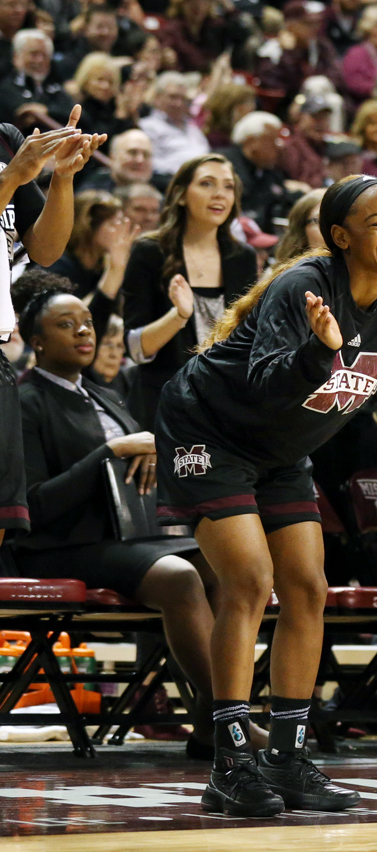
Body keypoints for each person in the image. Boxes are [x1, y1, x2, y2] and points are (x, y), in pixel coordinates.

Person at [154, 174, 377, 817]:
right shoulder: (303, 287)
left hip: (280, 449)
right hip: (208, 427)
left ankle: (287, 758)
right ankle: (229, 760)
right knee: (250, 581)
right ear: (340, 237)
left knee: (308, 588)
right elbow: (262, 384)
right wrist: (321, 353)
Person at [14, 286, 228, 759]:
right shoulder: (23, 401)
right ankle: (226, 721)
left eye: (87, 321)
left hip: (128, 536)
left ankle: (218, 719)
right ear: (37, 341)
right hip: (55, 544)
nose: (83, 331)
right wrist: (108, 453)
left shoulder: (108, 395)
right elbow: (34, 506)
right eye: (65, 325)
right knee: (179, 576)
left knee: (224, 563)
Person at [1, 108, 105, 549]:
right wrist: (11, 180)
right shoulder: (13, 162)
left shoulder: (5, 139)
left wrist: (61, 177)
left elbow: (45, 249)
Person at [120, 154, 258, 427]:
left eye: (228, 186)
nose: (220, 194)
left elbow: (248, 340)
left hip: (226, 404)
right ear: (181, 195)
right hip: (163, 406)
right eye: (207, 184)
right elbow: (137, 348)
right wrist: (179, 316)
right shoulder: (150, 252)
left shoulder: (242, 257)